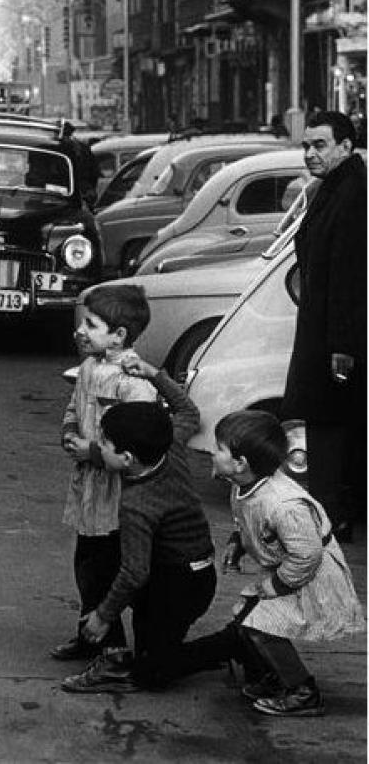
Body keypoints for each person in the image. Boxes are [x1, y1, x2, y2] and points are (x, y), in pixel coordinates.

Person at [134, 410, 364, 717]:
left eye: (219, 448)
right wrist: (238, 543)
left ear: (240, 463)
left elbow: (307, 555)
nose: (212, 453)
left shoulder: (284, 505)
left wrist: (276, 586)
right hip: (292, 569)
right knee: (248, 618)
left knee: (260, 626)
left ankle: (301, 690)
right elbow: (248, 520)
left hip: (309, 575)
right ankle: (273, 676)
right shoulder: (244, 483)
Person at [60, 355, 217, 694]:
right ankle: (122, 652)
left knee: (153, 673)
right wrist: (152, 373)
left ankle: (233, 643)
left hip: (181, 586)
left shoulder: (136, 504)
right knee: (99, 561)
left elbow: (134, 572)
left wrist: (103, 615)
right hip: (190, 572)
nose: (98, 448)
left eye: (104, 445)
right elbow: (188, 411)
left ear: (127, 459)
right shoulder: (169, 444)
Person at [51, 286, 157, 662]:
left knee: (104, 570)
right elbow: (73, 407)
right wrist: (68, 431)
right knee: (86, 566)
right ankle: (90, 636)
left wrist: (93, 451)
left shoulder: (133, 382)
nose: (81, 330)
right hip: (90, 491)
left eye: (92, 325)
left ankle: (112, 649)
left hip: (118, 496)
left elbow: (141, 444)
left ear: (119, 336)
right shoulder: (89, 369)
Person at [281, 110, 367, 541]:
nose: (310, 154)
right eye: (306, 145)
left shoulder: (352, 193)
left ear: (346, 147)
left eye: (320, 145)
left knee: (333, 428)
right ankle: (338, 510)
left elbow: (350, 276)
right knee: (337, 428)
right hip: (328, 332)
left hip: (336, 338)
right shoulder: (335, 187)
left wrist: (343, 346)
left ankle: (333, 514)